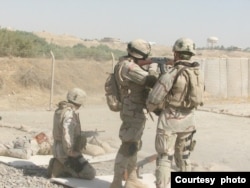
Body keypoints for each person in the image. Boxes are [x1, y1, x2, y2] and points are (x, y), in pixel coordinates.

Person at [146, 37, 204, 188]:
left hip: (170, 121)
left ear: (176, 53)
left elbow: (153, 99)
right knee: (184, 158)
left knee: (164, 158)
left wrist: (153, 109)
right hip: (189, 121)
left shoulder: (172, 74)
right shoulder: (197, 73)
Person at [109, 39, 158, 188]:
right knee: (127, 146)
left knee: (133, 145)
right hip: (133, 111)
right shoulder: (129, 67)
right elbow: (150, 81)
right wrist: (154, 67)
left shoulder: (125, 63)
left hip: (133, 109)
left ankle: (131, 178)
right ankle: (116, 182)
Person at [47, 88, 96, 180]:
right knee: (90, 174)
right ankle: (63, 169)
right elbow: (67, 134)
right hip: (66, 152)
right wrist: (70, 152)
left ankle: (58, 163)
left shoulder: (60, 110)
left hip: (58, 149)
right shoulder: (69, 113)